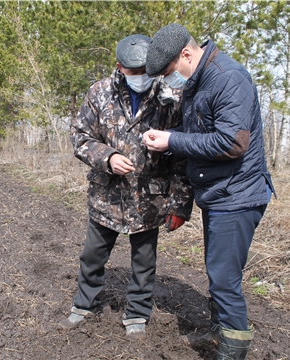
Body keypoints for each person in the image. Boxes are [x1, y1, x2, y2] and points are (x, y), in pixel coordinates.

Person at [142, 24, 276, 359]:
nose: (172, 80)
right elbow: (197, 135)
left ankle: (232, 350)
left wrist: (172, 140)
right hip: (218, 194)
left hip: (237, 195)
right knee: (219, 271)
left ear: (186, 54)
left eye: (171, 72)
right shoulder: (199, 82)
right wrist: (166, 140)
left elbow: (233, 143)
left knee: (225, 278)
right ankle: (219, 331)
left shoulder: (228, 78)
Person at [58, 34, 193, 339]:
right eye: (134, 72)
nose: (141, 78)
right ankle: (85, 305)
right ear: (120, 66)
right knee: (92, 256)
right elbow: (80, 138)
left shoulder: (169, 96)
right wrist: (108, 157)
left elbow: (183, 155)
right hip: (107, 195)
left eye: (147, 71)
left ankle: (137, 314)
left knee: (144, 262)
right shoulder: (99, 93)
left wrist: (179, 205)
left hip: (149, 199)